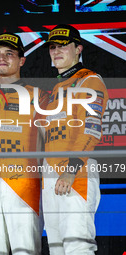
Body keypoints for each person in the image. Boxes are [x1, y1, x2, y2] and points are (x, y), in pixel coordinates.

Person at [0, 32, 48, 254]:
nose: (2, 58)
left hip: (24, 186)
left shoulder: (39, 95)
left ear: (22, 60)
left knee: (24, 251)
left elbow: (51, 143)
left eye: (9, 54)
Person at [42, 24, 109, 254]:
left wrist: (71, 169)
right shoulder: (57, 87)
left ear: (79, 48)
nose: (56, 51)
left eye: (63, 46)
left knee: (77, 246)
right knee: (57, 248)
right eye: (52, 47)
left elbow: (90, 130)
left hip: (75, 172)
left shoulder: (89, 81)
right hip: (51, 174)